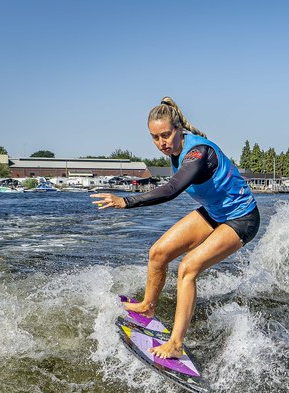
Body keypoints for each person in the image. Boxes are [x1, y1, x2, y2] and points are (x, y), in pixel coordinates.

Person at [91, 97, 260, 358]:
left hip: (241, 218)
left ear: (179, 129)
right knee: (158, 253)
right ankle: (148, 306)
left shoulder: (197, 153)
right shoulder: (175, 151)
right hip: (215, 213)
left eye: (166, 135)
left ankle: (176, 345)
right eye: (155, 137)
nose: (162, 143)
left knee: (188, 267)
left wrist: (125, 201)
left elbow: (171, 190)